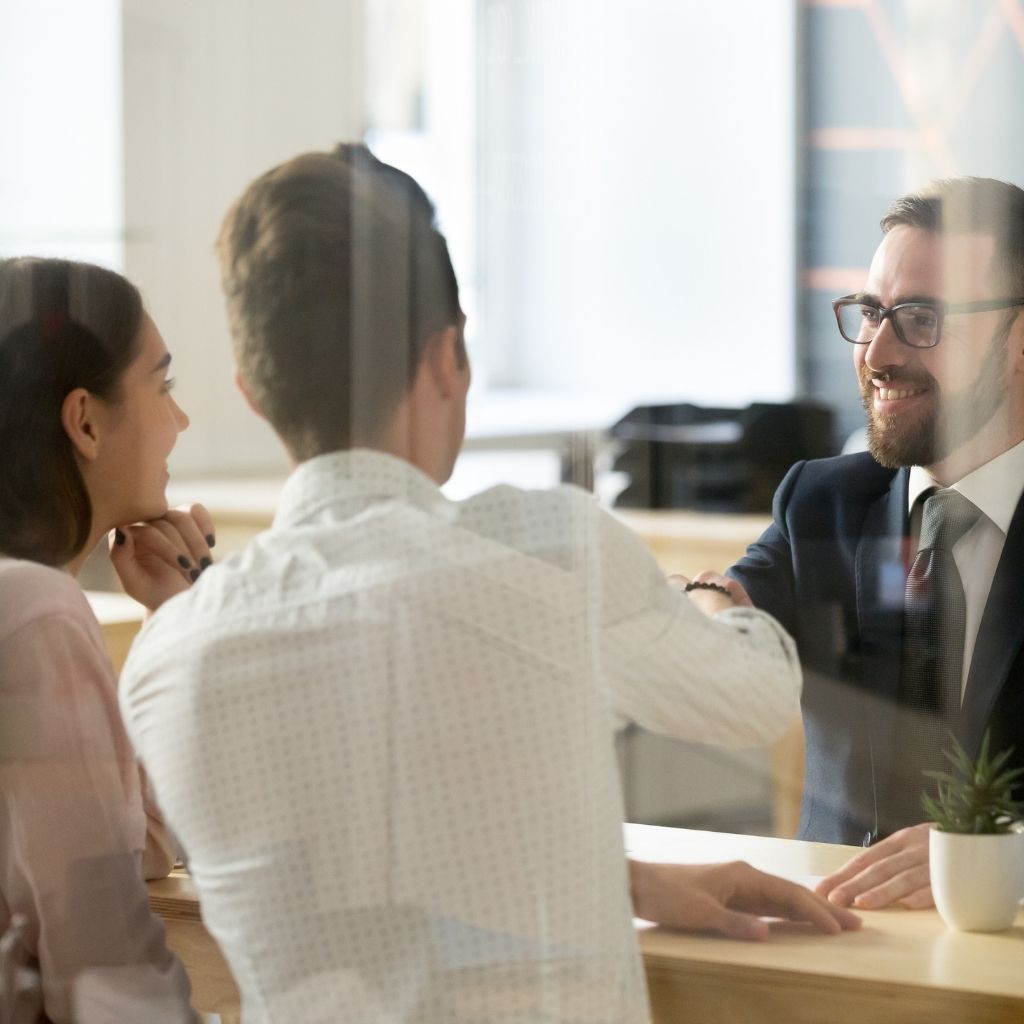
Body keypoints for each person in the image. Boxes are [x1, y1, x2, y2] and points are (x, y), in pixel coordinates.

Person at [119, 144, 858, 1024]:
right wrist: (711, 600)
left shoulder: (166, 657)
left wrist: (621, 877)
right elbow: (756, 702)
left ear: (252, 392)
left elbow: (357, 877)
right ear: (448, 355)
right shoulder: (547, 548)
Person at [728, 176, 1024, 911]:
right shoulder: (821, 503)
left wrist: (1006, 852)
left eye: (921, 317)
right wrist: (704, 603)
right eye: (870, 312)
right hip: (840, 968)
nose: (876, 351)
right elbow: (728, 613)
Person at [0, 257, 210, 1022]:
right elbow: (105, 962)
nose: (179, 422)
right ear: (85, 421)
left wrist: (170, 620)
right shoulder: (38, 615)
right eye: (164, 384)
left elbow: (136, 845)